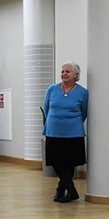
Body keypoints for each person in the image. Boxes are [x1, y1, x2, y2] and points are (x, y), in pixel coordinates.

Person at [42, 61, 88, 203]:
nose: (64, 74)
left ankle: (61, 190)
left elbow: (84, 112)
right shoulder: (52, 89)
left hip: (73, 133)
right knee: (56, 162)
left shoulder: (82, 92)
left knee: (69, 163)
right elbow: (46, 109)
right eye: (62, 71)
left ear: (76, 75)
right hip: (53, 131)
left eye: (68, 71)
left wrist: (71, 123)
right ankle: (71, 190)